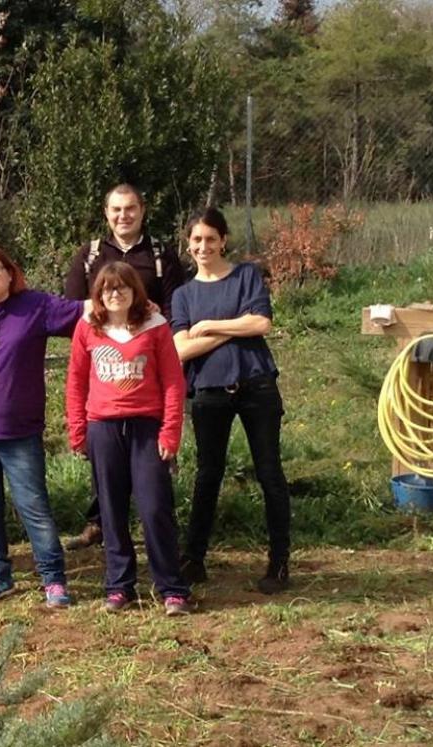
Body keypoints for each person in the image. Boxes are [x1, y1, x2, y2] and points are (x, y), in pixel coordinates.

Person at [0, 247, 85, 609]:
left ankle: (53, 579)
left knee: (33, 506)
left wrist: (138, 306)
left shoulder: (36, 306)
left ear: (11, 273)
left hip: (19, 432)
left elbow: (88, 311)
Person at [171, 207, 291, 594]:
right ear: (188, 244)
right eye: (196, 239)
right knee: (208, 474)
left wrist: (209, 325)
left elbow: (262, 323)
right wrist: (235, 326)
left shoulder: (246, 276)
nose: (203, 246)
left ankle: (279, 562)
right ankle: (194, 559)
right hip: (208, 391)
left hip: (257, 386)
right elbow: (180, 350)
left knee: (269, 473)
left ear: (223, 240)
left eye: (211, 238)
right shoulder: (183, 294)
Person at [63, 183, 186, 551]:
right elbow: (73, 308)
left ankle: (162, 546)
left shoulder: (161, 254)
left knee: (154, 484)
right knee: (107, 474)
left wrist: (151, 328)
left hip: (150, 368)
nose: (123, 215)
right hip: (105, 371)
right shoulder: (90, 255)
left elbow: (175, 306)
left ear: (142, 210)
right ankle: (99, 526)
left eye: (130, 208)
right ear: (106, 213)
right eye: (116, 209)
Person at [66, 262, 191, 616]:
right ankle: (120, 586)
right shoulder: (88, 327)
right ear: (98, 294)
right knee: (111, 511)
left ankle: (171, 588)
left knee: (155, 508)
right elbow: (76, 382)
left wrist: (170, 432)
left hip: (146, 428)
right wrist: (77, 430)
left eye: (122, 287)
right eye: (108, 288)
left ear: (135, 291)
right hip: (103, 428)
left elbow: (173, 382)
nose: (115, 294)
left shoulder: (155, 326)